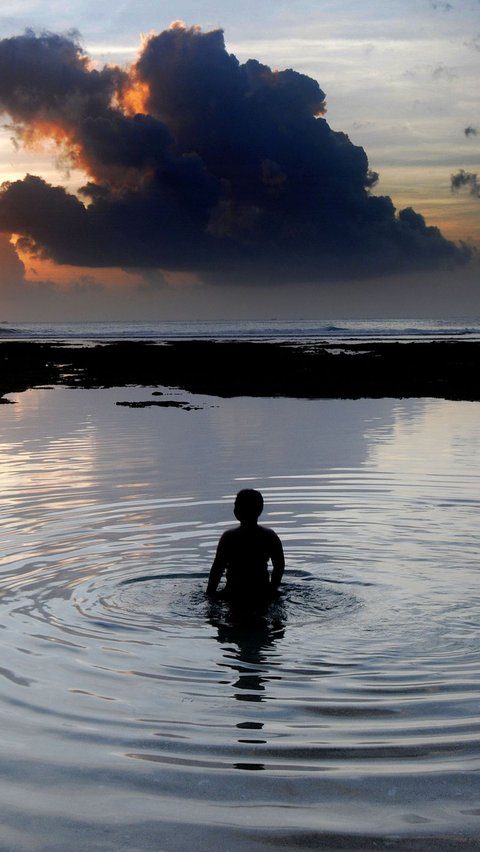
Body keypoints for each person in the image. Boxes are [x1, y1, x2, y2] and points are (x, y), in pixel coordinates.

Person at [206, 489, 284, 605]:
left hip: (234, 592)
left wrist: (210, 593)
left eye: (236, 505)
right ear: (260, 510)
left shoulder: (229, 537)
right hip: (260, 591)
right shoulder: (269, 536)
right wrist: (272, 589)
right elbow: (279, 566)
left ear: (237, 511)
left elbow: (217, 569)